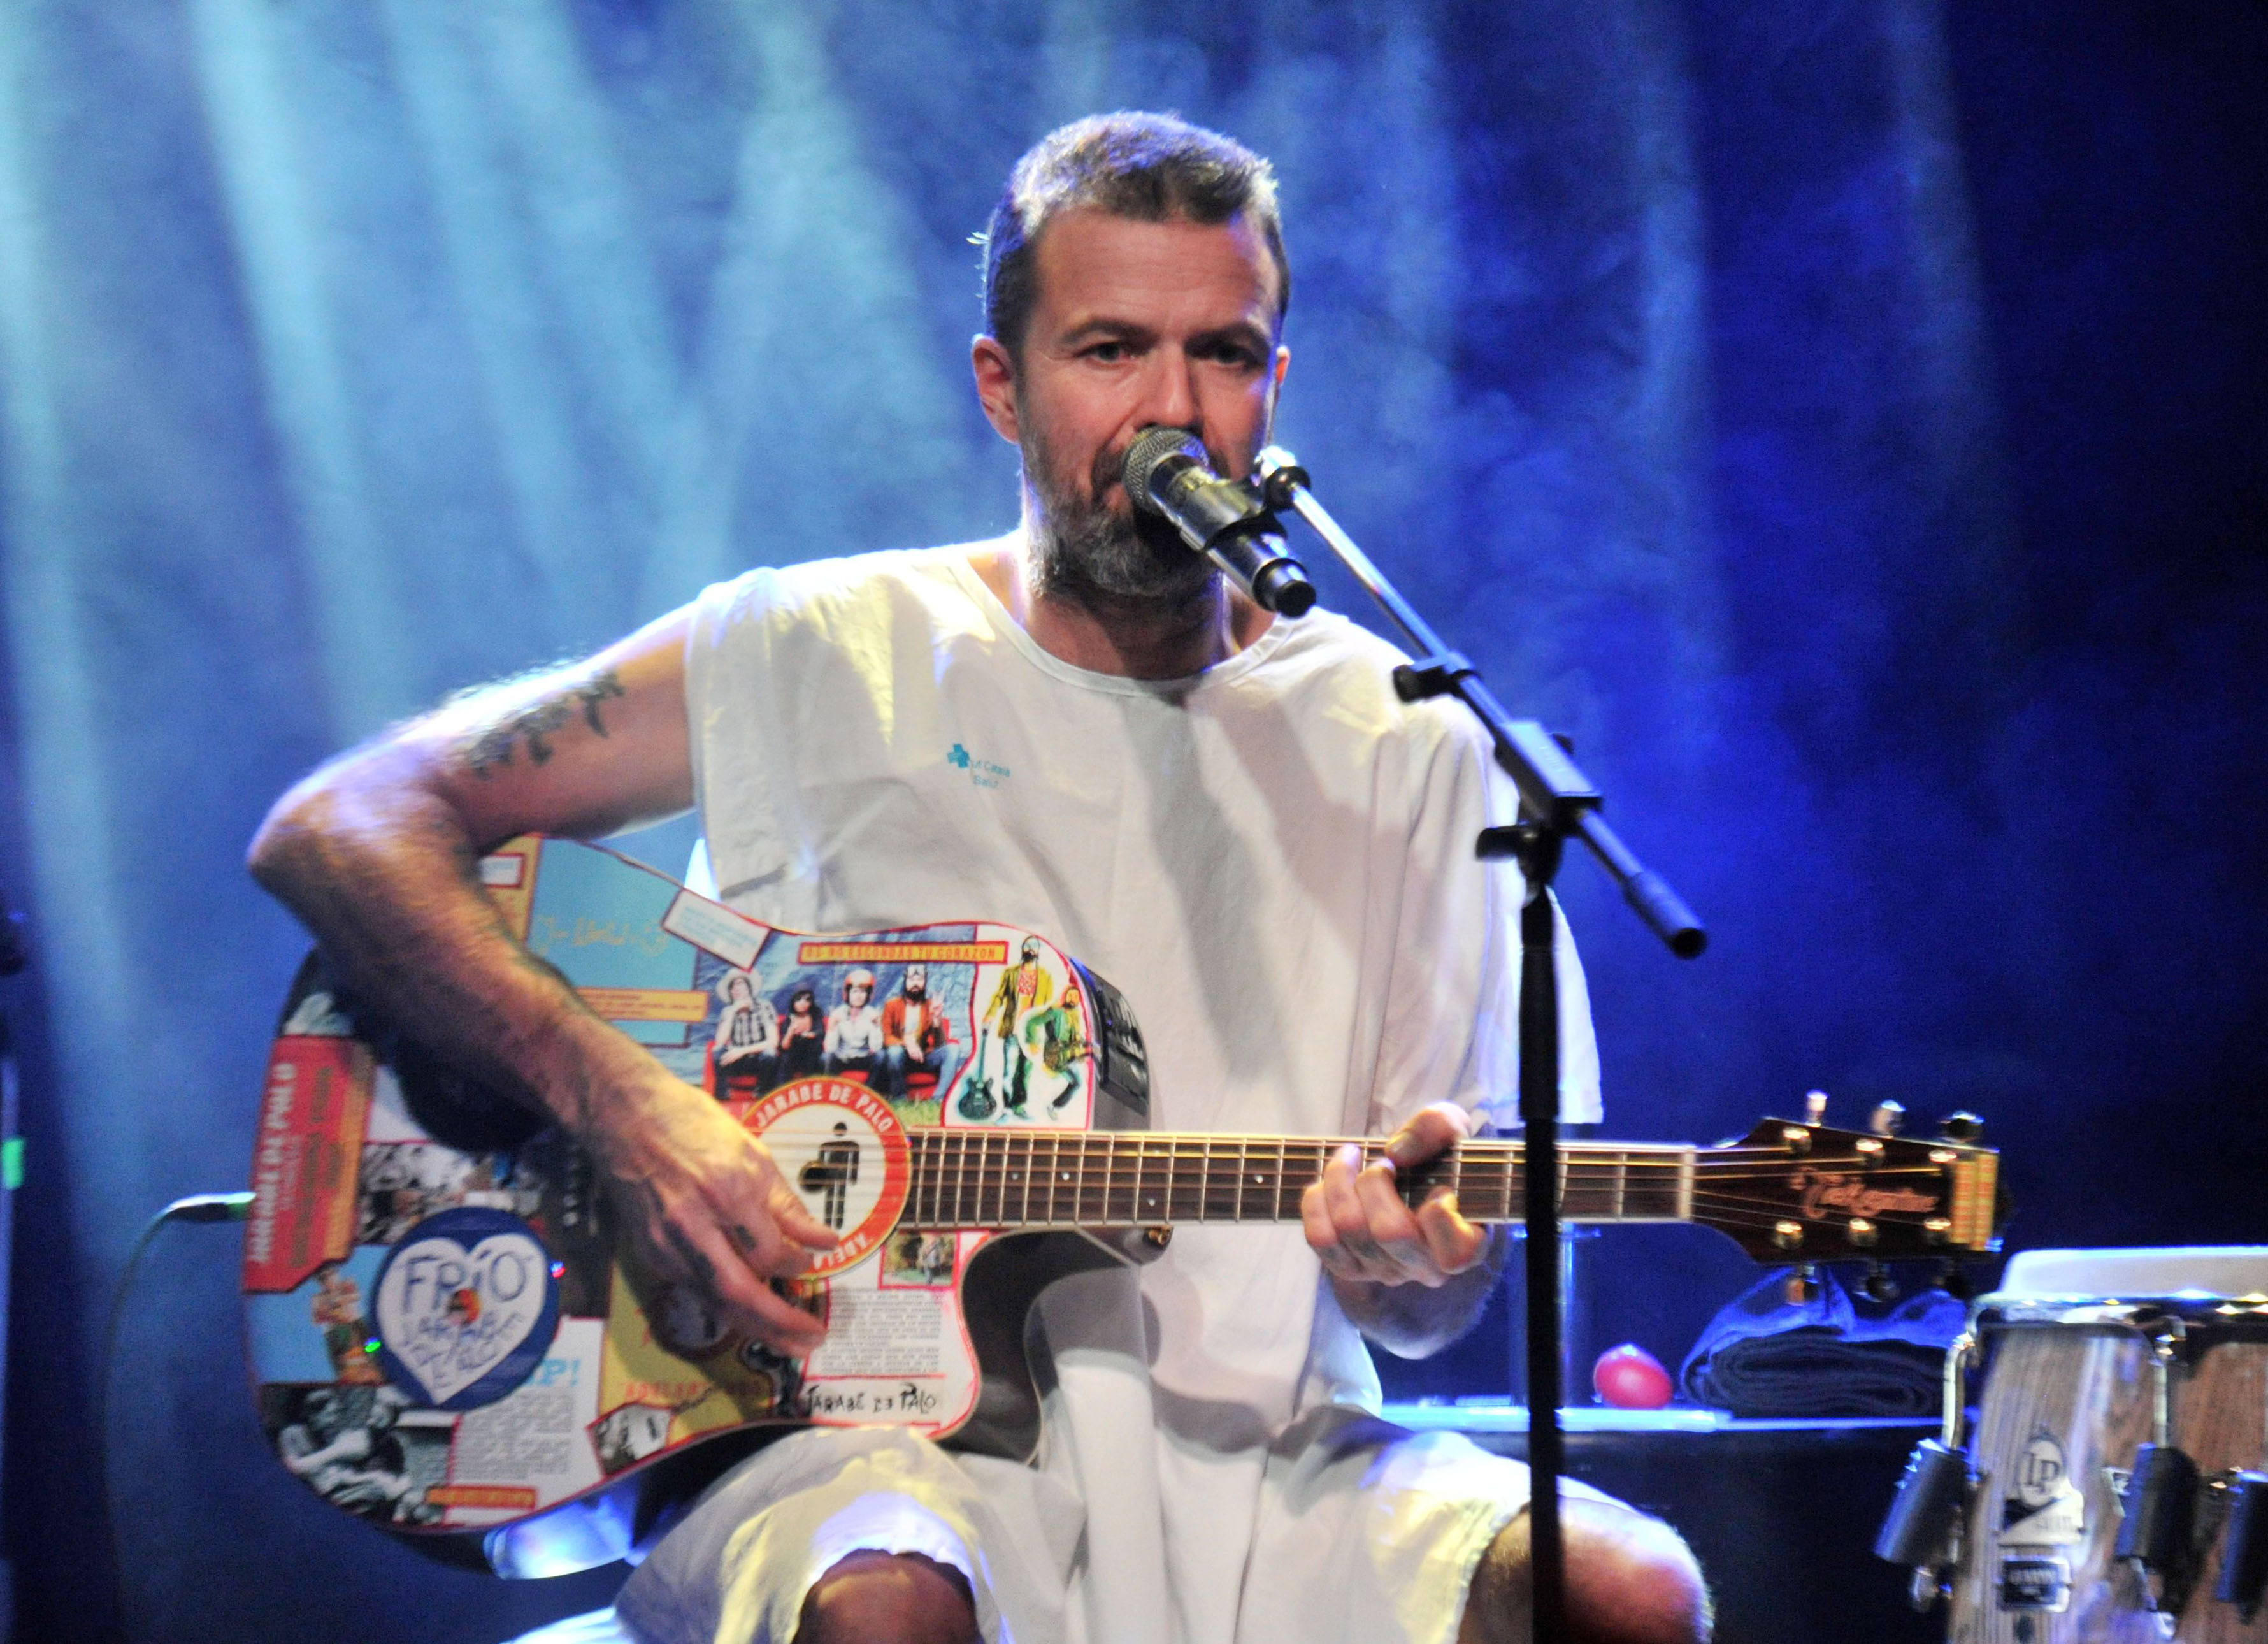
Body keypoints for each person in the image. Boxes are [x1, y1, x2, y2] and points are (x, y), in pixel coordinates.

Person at [250, 112, 1707, 1644]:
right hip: (842, 1443)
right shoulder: (814, 648)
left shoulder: (1406, 739)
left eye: (1221, 353)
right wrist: (619, 1106)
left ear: (1274, 382)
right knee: (889, 1607)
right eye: (1109, 350)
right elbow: (344, 822)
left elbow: (1424, 1303)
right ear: (1000, 385)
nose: (1171, 409)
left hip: (1267, 1457)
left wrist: (1409, 1262)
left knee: (1624, 1594)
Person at [879, 963, 964, 1103]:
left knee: (953, 1049)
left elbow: (940, 1044)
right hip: (902, 1058)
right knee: (894, 1052)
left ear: (925, 983)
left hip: (924, 1057)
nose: (916, 984)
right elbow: (886, 1037)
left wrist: (937, 1020)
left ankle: (939, 1099)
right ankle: (900, 1098)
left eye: (920, 980)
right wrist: (907, 1044)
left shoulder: (930, 1005)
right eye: (911, 980)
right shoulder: (892, 1005)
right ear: (905, 982)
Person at [712, 970, 780, 1099]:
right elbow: (720, 1041)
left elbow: (773, 1042)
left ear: (748, 987)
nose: (736, 989)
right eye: (732, 987)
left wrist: (742, 1051)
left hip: (758, 1059)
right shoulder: (727, 1011)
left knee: (770, 1054)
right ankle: (722, 1096)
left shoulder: (764, 1006)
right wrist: (733, 1011)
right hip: (736, 1061)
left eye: (740, 984)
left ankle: (762, 1093)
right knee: (718, 1051)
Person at [822, 968, 886, 1081]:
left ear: (868, 995)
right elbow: (830, 1049)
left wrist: (877, 1027)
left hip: (863, 1058)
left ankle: (869, 1089)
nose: (859, 996)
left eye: (863, 992)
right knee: (825, 1058)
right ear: (848, 994)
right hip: (842, 1058)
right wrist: (832, 1028)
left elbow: (876, 1048)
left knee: (881, 1056)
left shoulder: (873, 1014)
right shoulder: (838, 1014)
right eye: (855, 992)